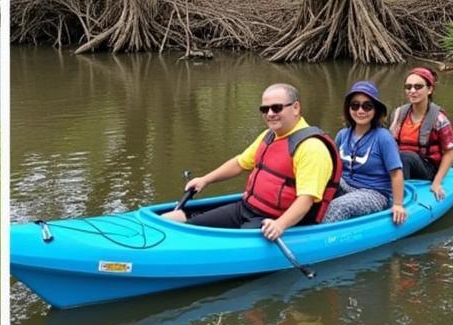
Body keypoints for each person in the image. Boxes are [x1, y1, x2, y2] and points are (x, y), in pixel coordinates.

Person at [161, 84, 342, 240]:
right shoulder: (270, 135)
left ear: (295, 108)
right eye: (265, 109)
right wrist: (205, 180)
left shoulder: (312, 148)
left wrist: (280, 225)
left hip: (273, 219)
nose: (270, 114)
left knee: (217, 241)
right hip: (246, 208)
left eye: (277, 108)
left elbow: (306, 200)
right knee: (193, 225)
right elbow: (240, 163)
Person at [323, 81, 406, 225]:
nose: (360, 111)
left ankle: (320, 241)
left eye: (367, 106)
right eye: (355, 105)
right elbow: (333, 167)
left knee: (338, 207)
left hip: (373, 192)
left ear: (375, 110)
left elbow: (396, 173)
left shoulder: (383, 138)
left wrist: (398, 205)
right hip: (344, 184)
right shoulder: (342, 135)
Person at [388, 67, 453, 201]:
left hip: (426, 168)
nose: (412, 91)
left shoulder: (439, 119)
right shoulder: (398, 113)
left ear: (429, 89)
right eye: (408, 87)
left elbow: (449, 152)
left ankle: (399, 198)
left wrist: (437, 182)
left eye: (418, 87)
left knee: (405, 157)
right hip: (400, 164)